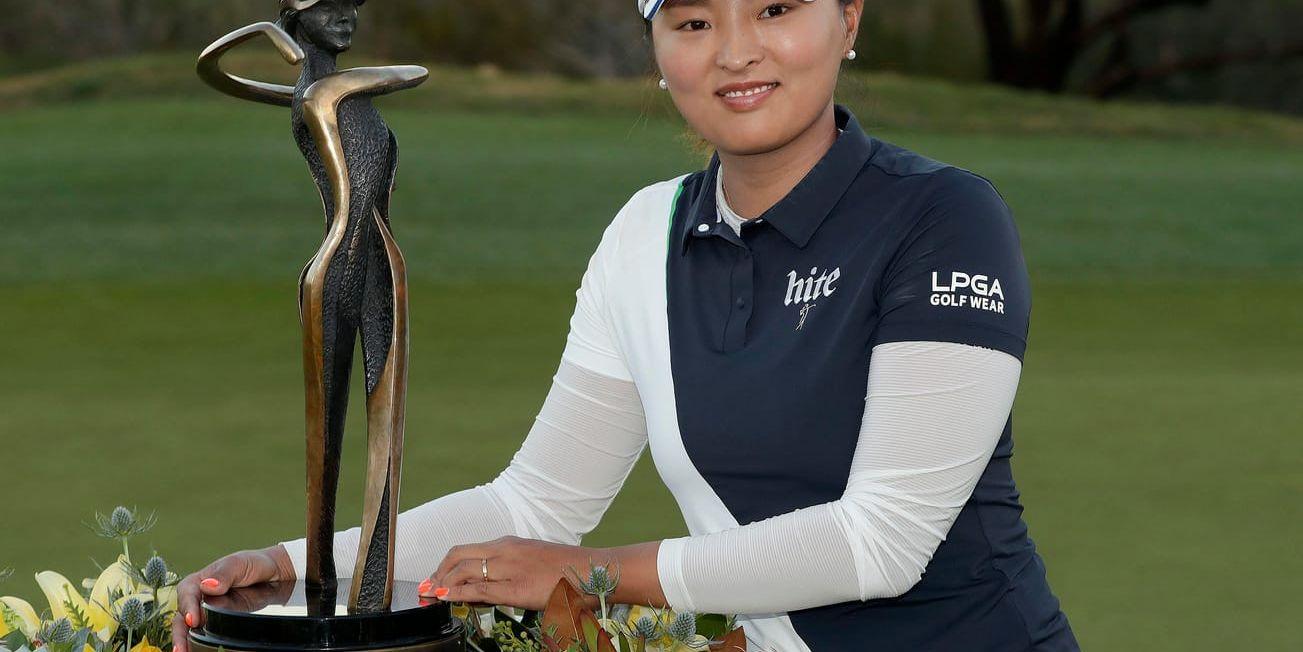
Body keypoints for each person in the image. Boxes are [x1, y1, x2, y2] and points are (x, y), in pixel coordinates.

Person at [173, 1, 1080, 649]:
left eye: (776, 9)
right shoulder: (646, 232)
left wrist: (591, 573)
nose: (734, 52)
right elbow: (532, 506)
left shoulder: (944, 217)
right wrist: (293, 566)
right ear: (656, 47)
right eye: (692, 22)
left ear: (848, 20)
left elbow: (880, 540)